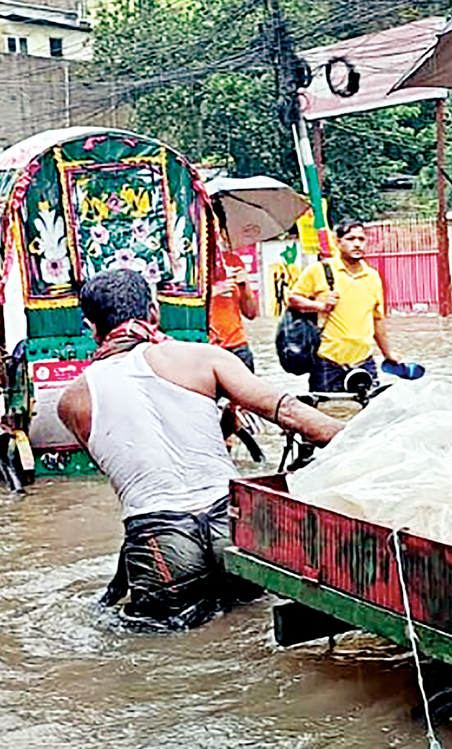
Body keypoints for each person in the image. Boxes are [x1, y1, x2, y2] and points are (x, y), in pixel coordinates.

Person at [59, 269, 343, 628]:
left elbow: (130, 461)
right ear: (154, 313)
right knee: (251, 626)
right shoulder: (205, 357)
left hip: (160, 543)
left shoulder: (72, 401)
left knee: (160, 646)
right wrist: (364, 437)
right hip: (233, 528)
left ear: (91, 327)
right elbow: (287, 411)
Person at [286, 220, 405, 394]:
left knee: (370, 413)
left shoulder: (372, 277)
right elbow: (292, 299)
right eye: (350, 239)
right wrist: (319, 305)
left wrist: (388, 354)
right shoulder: (319, 271)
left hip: (364, 362)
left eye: (361, 239)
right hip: (328, 363)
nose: (357, 244)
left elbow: (377, 320)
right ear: (338, 241)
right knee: (326, 416)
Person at [206, 233, 260, 370]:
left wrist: (245, 286)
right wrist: (212, 292)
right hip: (208, 347)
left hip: (238, 345)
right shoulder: (194, 267)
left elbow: (251, 313)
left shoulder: (233, 261)